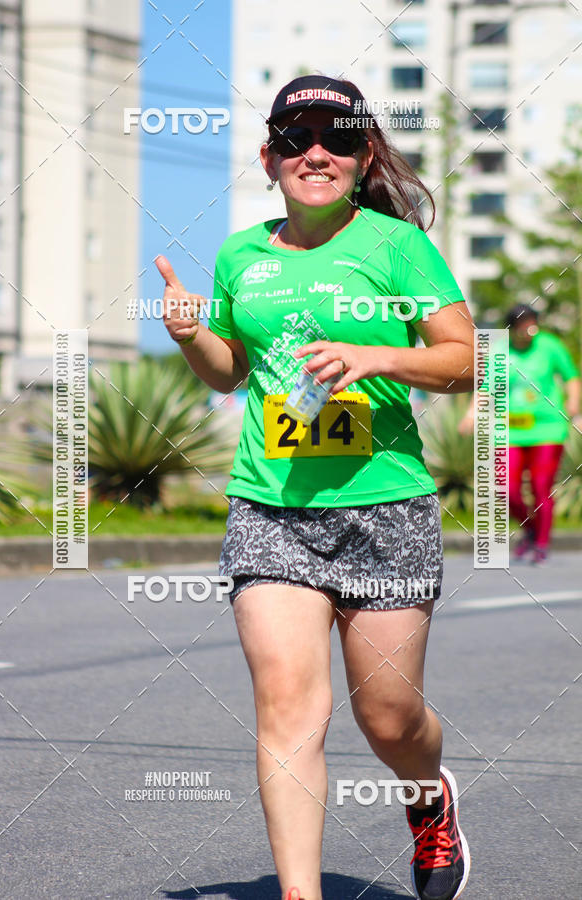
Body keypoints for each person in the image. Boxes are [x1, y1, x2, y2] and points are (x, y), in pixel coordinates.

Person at [157, 75, 474, 900]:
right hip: (272, 510)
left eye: (335, 137)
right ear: (269, 158)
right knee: (289, 713)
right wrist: (193, 336)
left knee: (388, 720)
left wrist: (377, 357)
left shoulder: (396, 247)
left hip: (384, 509)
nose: (316, 153)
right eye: (295, 139)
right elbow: (231, 372)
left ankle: (427, 798)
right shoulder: (241, 255)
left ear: (363, 155)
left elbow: (464, 358)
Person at [460, 304, 580, 564]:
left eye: (533, 323)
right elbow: (485, 387)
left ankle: (542, 543)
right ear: (511, 329)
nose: (529, 329)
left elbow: (571, 376)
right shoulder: (500, 351)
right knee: (506, 487)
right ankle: (530, 530)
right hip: (509, 430)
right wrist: (471, 414)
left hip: (547, 428)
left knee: (540, 487)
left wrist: (574, 403)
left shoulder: (550, 346)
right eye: (523, 325)